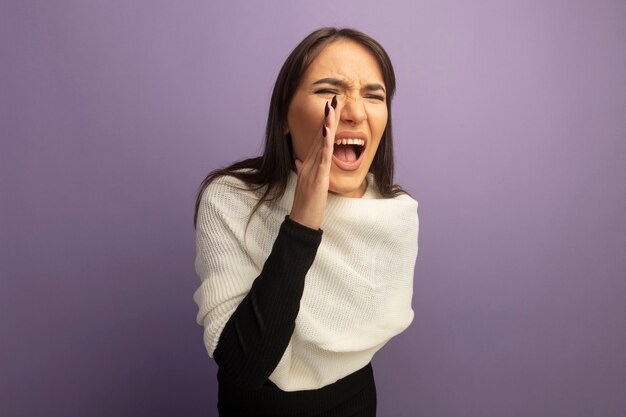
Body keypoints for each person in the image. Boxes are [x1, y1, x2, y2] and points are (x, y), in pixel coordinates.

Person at [193, 27, 419, 417]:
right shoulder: (231, 199)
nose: (353, 111)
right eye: (328, 91)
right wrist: (302, 222)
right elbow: (244, 367)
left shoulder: (393, 213)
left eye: (373, 95)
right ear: (284, 116)